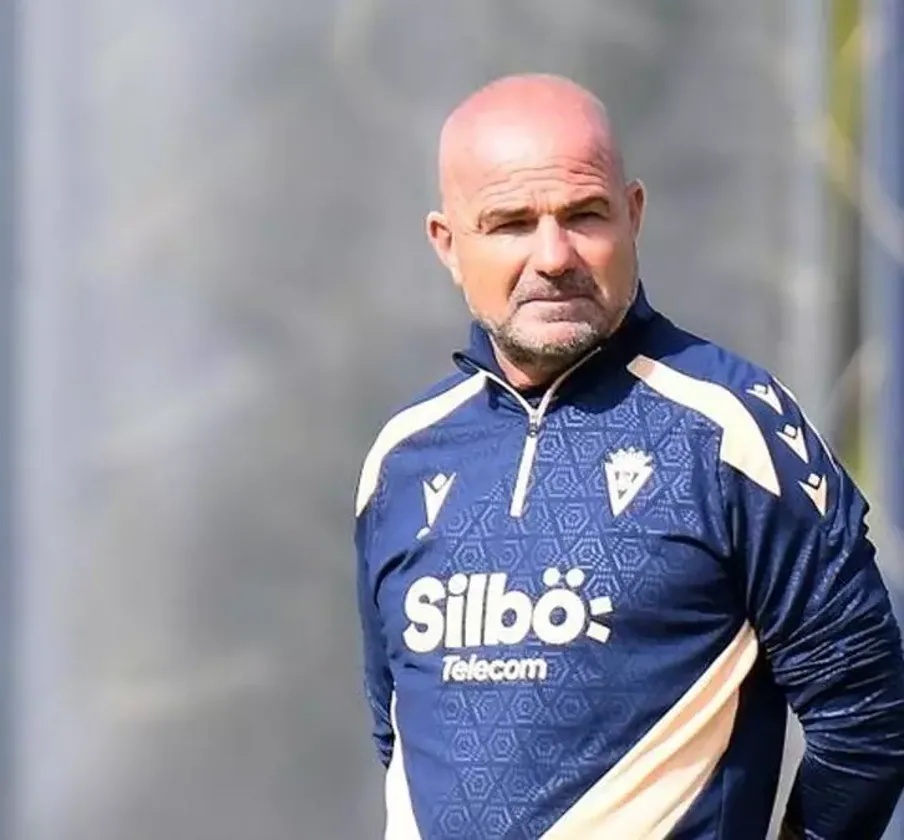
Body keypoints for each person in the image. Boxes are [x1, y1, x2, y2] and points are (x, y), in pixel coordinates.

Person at [352, 73, 904, 840]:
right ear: (447, 242)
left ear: (634, 214)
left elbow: (869, 719)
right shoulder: (400, 459)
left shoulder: (731, 428)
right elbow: (400, 737)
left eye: (584, 216)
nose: (554, 255)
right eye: (511, 223)